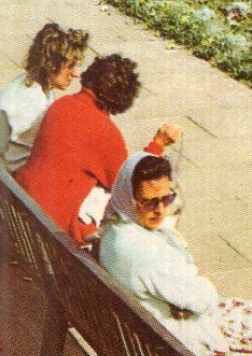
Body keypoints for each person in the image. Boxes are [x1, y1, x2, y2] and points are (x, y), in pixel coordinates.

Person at [98, 153, 252, 356]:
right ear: (128, 196)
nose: (160, 210)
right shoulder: (146, 252)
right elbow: (204, 299)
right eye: (149, 201)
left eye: (166, 198)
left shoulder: (116, 230)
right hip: (179, 348)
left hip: (146, 334)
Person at [15, 53, 182, 245]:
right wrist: (158, 144)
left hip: (24, 205)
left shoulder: (61, 105)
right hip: (55, 228)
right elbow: (130, 184)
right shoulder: (104, 132)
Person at [0, 23, 91, 173]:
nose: (76, 73)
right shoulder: (32, 102)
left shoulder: (30, 82)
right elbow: (17, 164)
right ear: (51, 64)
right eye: (70, 66)